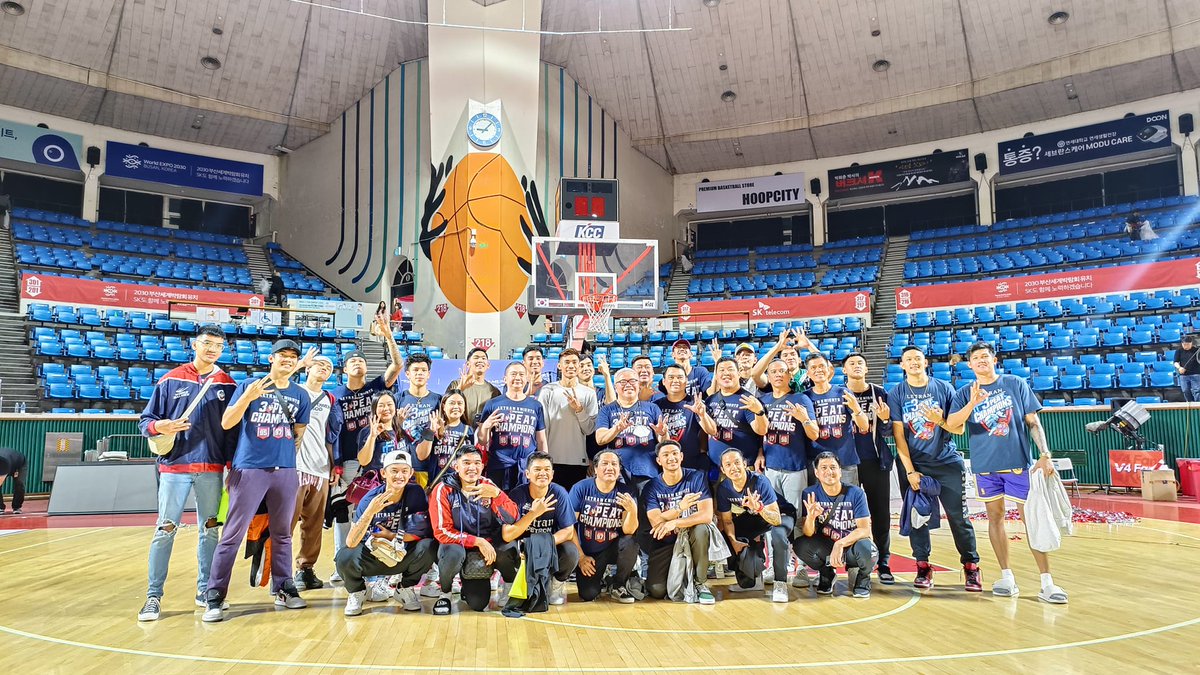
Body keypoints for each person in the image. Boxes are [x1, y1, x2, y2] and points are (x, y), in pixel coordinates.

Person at [203, 339, 314, 622]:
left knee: (282, 533)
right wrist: (246, 399)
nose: (288, 360)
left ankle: (283, 586)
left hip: (285, 470)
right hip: (249, 469)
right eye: (283, 355)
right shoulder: (251, 386)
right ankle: (215, 594)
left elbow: (298, 432)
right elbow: (227, 422)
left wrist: (287, 458)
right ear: (271, 358)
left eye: (293, 357)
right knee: (232, 535)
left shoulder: (300, 395)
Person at [947, 342, 1067, 604]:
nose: (981, 361)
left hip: (1018, 464)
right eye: (975, 358)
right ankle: (1007, 576)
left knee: (1031, 520)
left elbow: (1033, 421)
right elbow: (953, 424)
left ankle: (1047, 582)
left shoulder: (1015, 383)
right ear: (969, 364)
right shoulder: (964, 392)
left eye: (985, 357)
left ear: (994, 359)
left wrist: (1045, 454)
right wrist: (972, 403)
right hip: (985, 467)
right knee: (995, 518)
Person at [136, 323, 238, 622]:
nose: (211, 349)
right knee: (165, 530)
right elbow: (146, 421)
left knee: (209, 532)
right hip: (175, 467)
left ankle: (206, 590)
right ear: (195, 344)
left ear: (222, 350)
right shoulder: (171, 380)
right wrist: (160, 426)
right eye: (207, 343)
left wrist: (231, 466)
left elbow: (231, 431)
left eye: (217, 346)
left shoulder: (227, 384)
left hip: (212, 469)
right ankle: (153, 597)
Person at [888, 346, 981, 591]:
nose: (914, 362)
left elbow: (958, 429)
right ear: (902, 365)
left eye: (918, 358)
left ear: (925, 362)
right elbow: (898, 436)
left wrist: (939, 420)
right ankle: (923, 567)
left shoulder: (944, 388)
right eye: (908, 359)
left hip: (946, 462)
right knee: (918, 518)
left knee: (959, 517)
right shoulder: (897, 393)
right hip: (916, 465)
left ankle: (971, 567)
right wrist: (910, 470)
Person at [330, 315, 404, 576]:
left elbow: (397, 364)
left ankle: (371, 562)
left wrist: (388, 335)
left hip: (377, 463)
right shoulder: (336, 395)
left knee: (372, 513)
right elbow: (333, 432)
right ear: (345, 368)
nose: (358, 363)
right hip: (350, 462)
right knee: (343, 512)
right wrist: (335, 464)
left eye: (361, 360)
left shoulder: (375, 389)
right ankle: (342, 560)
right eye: (353, 361)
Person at [336, 450, 437, 616]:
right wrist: (370, 512)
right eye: (394, 471)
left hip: (402, 553)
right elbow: (351, 542)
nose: (399, 476)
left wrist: (391, 536)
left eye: (404, 471)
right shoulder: (370, 499)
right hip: (372, 556)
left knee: (429, 546)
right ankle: (357, 591)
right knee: (344, 557)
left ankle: (404, 588)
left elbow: (422, 532)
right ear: (384, 473)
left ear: (411, 473)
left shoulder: (416, 493)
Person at [428, 448, 520, 614]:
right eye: (467, 463)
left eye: (477, 463)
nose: (472, 467)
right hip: (458, 545)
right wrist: (477, 541)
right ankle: (446, 593)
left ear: (482, 466)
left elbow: (512, 517)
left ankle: (508, 585)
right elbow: (441, 531)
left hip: (485, 547)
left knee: (478, 603)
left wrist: (498, 494)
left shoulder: (488, 486)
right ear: (456, 466)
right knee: (451, 553)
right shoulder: (443, 489)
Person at [756, 357, 818, 588]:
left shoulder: (801, 399)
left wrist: (804, 419)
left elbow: (814, 434)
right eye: (774, 371)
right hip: (771, 469)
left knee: (799, 520)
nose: (778, 375)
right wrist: (760, 453)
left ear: (790, 375)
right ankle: (774, 565)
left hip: (795, 469)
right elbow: (759, 434)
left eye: (783, 371)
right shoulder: (763, 400)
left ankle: (801, 567)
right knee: (771, 520)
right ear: (769, 376)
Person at [842, 353, 896, 585]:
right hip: (846, 463)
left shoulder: (880, 393)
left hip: (874, 461)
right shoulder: (838, 394)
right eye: (851, 363)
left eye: (860, 363)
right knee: (850, 517)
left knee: (880, 514)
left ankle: (883, 562)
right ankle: (854, 563)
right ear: (844, 370)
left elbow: (888, 431)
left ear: (866, 369)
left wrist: (885, 421)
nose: (856, 366)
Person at [715, 449, 794, 603]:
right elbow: (727, 521)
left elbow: (776, 519)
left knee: (778, 535)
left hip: (780, 514)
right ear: (723, 470)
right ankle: (753, 579)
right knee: (727, 537)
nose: (734, 467)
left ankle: (780, 583)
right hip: (756, 517)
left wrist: (759, 508)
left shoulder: (759, 481)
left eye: (737, 462)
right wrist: (734, 542)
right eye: (728, 464)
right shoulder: (724, 488)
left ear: (745, 464)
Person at [292, 354, 343, 591]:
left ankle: (305, 569)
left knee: (313, 525)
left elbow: (330, 436)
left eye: (329, 367)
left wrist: (334, 465)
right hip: (294, 467)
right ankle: (278, 572)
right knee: (286, 524)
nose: (324, 368)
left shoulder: (330, 399)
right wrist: (298, 364)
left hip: (320, 467)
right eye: (319, 364)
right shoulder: (294, 389)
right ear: (308, 368)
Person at [642, 440, 715, 604]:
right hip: (665, 542)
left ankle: (700, 583)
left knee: (702, 529)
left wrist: (675, 522)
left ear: (681, 456)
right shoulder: (651, 486)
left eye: (675, 453)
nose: (671, 458)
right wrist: (679, 508)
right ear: (658, 460)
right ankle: (678, 578)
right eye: (665, 455)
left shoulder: (696, 477)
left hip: (691, 536)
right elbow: (656, 522)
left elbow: (706, 515)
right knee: (657, 590)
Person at [795, 452, 876, 598]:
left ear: (840, 471)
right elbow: (808, 533)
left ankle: (863, 578)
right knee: (801, 545)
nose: (829, 472)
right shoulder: (810, 493)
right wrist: (811, 518)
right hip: (826, 548)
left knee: (869, 549)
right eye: (824, 468)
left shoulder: (856, 493)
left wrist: (840, 544)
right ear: (816, 473)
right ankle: (827, 573)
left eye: (833, 467)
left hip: (851, 547)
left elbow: (864, 529)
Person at [503, 453, 581, 605]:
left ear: (552, 474)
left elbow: (568, 531)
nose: (542, 473)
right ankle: (510, 584)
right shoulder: (517, 494)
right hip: (523, 550)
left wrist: (545, 543)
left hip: (549, 549)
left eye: (547, 469)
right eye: (537, 469)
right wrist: (533, 514)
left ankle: (556, 584)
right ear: (527, 474)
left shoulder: (559, 493)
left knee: (571, 551)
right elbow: (506, 535)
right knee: (503, 548)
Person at [569, 450, 640, 603]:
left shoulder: (626, 491)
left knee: (630, 542)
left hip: (612, 547)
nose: (610, 467)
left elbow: (629, 531)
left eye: (614, 464)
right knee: (588, 594)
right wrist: (581, 557)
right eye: (605, 464)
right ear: (595, 469)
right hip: (588, 552)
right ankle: (604, 577)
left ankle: (619, 583)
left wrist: (632, 510)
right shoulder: (580, 488)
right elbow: (569, 527)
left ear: (619, 469)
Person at [477, 362, 548, 491]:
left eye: (521, 374)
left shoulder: (536, 406)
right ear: (505, 379)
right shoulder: (492, 404)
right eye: (513, 374)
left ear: (526, 378)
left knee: (524, 506)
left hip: (527, 467)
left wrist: (544, 465)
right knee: (497, 507)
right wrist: (486, 426)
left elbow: (541, 440)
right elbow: (482, 440)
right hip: (499, 465)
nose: (518, 378)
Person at [799, 353, 869, 484]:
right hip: (817, 462)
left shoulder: (843, 392)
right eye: (813, 368)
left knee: (849, 502)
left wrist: (857, 409)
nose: (818, 370)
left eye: (821, 366)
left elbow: (864, 426)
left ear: (829, 369)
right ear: (808, 373)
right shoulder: (804, 397)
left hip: (845, 461)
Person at [596, 368, 668, 488]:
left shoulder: (652, 408)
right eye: (623, 382)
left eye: (633, 381)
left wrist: (663, 433)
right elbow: (600, 439)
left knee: (644, 506)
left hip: (646, 470)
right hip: (616, 472)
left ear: (639, 385)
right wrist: (617, 429)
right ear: (615, 387)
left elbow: (665, 442)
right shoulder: (607, 410)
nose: (628, 385)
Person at [537, 348, 599, 488]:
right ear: (559, 365)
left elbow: (589, 429)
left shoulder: (589, 393)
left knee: (572, 506)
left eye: (574, 362)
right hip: (551, 460)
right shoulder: (548, 390)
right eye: (567, 362)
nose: (571, 366)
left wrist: (579, 410)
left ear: (579, 366)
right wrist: (543, 455)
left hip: (578, 460)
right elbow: (542, 426)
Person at [701, 357, 767, 469]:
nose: (726, 373)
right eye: (721, 370)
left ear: (739, 374)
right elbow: (707, 432)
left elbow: (761, 431)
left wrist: (759, 412)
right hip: (716, 468)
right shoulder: (710, 400)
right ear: (716, 376)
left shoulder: (748, 399)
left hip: (743, 468)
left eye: (730, 369)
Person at [393, 353, 442, 487]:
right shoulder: (397, 399)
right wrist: (398, 423)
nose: (419, 373)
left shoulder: (438, 399)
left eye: (423, 370)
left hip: (431, 465)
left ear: (429, 374)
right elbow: (390, 433)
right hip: (404, 465)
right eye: (415, 370)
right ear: (407, 374)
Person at [655, 364, 712, 475]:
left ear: (686, 381)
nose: (676, 381)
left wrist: (703, 415)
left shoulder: (696, 404)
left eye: (680, 377)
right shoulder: (655, 406)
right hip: (666, 468)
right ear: (664, 381)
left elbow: (712, 431)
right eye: (671, 377)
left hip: (694, 466)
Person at [416, 390, 475, 479]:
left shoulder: (469, 430)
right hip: (436, 482)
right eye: (452, 403)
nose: (456, 406)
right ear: (443, 406)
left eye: (460, 403)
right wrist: (431, 431)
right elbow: (421, 456)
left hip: (459, 484)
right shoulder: (431, 426)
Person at [447, 347, 502, 425]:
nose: (480, 360)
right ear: (468, 364)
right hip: (460, 434)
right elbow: (445, 409)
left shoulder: (494, 391)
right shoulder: (456, 384)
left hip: (483, 435)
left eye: (483, 358)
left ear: (488, 365)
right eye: (476, 358)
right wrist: (460, 389)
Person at [0, 447, 27, 515]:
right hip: (9, 462)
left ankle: (16, 507)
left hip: (19, 465)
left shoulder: (4, 463)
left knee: (19, 484)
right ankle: (0, 507)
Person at [1175, 335, 1200, 402]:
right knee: (1185, 390)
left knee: (1197, 391)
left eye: (1187, 344)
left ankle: (1197, 405)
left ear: (1191, 343)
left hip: (1196, 374)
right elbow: (1175, 362)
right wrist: (1179, 368)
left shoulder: (1197, 351)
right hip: (1184, 375)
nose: (1185, 346)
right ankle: (1190, 404)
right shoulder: (1179, 351)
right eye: (1184, 344)